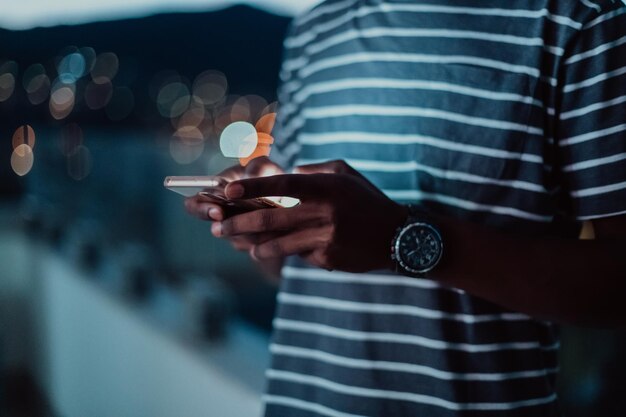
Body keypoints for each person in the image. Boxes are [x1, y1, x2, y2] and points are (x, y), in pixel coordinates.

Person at [185, 0, 626, 415]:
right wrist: (263, 225)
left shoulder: (580, 21)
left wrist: (397, 239)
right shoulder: (315, 29)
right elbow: (290, 273)